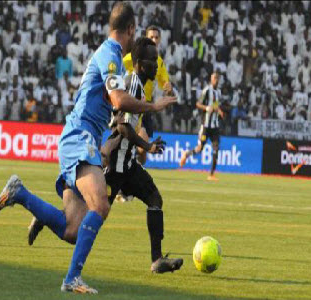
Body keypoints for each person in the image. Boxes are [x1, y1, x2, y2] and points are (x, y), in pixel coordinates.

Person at [0, 2, 176, 294]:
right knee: (100, 205)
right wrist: (153, 105)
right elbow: (118, 100)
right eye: (135, 30)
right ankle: (72, 279)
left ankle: (20, 194)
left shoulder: (108, 54)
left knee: (73, 230)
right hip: (81, 137)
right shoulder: (111, 54)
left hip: (79, 138)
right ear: (129, 29)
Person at [27, 37, 183, 274]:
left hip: (127, 165)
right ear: (140, 63)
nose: (156, 64)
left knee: (154, 199)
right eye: (152, 60)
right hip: (114, 166)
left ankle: (157, 259)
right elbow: (122, 126)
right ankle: (46, 217)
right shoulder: (132, 84)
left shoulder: (139, 87)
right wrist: (147, 147)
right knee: (85, 222)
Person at [123, 25, 173, 165]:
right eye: (151, 37)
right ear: (146, 37)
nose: (154, 40)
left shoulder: (159, 62)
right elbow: (121, 64)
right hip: (134, 103)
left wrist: (168, 87)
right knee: (141, 142)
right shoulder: (136, 56)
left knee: (142, 151)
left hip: (147, 107)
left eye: (156, 37)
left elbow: (165, 83)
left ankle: (136, 171)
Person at [179, 72, 224, 181]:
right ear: (211, 79)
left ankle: (211, 174)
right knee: (199, 149)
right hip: (205, 126)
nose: (216, 80)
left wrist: (219, 111)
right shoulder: (206, 90)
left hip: (215, 127)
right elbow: (198, 104)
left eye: (217, 78)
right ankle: (187, 154)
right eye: (214, 78)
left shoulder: (218, 93)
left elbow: (216, 105)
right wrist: (206, 108)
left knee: (216, 149)